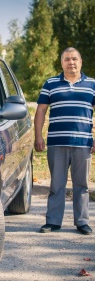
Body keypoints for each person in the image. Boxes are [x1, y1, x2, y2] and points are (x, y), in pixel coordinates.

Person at [34, 47, 95, 235]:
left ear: (81, 61)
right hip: (56, 142)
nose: (71, 62)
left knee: (82, 185)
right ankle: (53, 222)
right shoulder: (51, 83)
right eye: (67, 59)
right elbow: (41, 111)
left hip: (83, 143)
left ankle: (82, 222)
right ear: (62, 63)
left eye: (74, 59)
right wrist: (38, 136)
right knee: (56, 184)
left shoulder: (92, 84)